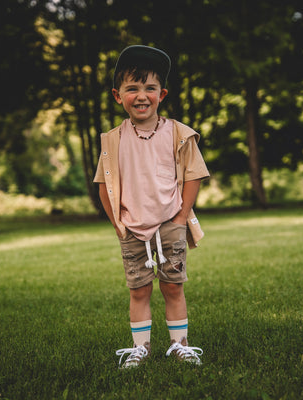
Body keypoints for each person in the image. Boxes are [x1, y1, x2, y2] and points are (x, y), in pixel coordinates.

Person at [93, 45, 210, 368]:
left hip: (170, 222)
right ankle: (140, 348)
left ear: (162, 93)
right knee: (139, 290)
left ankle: (179, 344)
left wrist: (182, 215)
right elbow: (104, 184)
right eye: (132, 88)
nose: (141, 95)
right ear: (118, 95)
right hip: (132, 226)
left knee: (172, 286)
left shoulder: (177, 134)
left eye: (149, 88)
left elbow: (194, 174)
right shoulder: (113, 140)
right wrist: (117, 222)